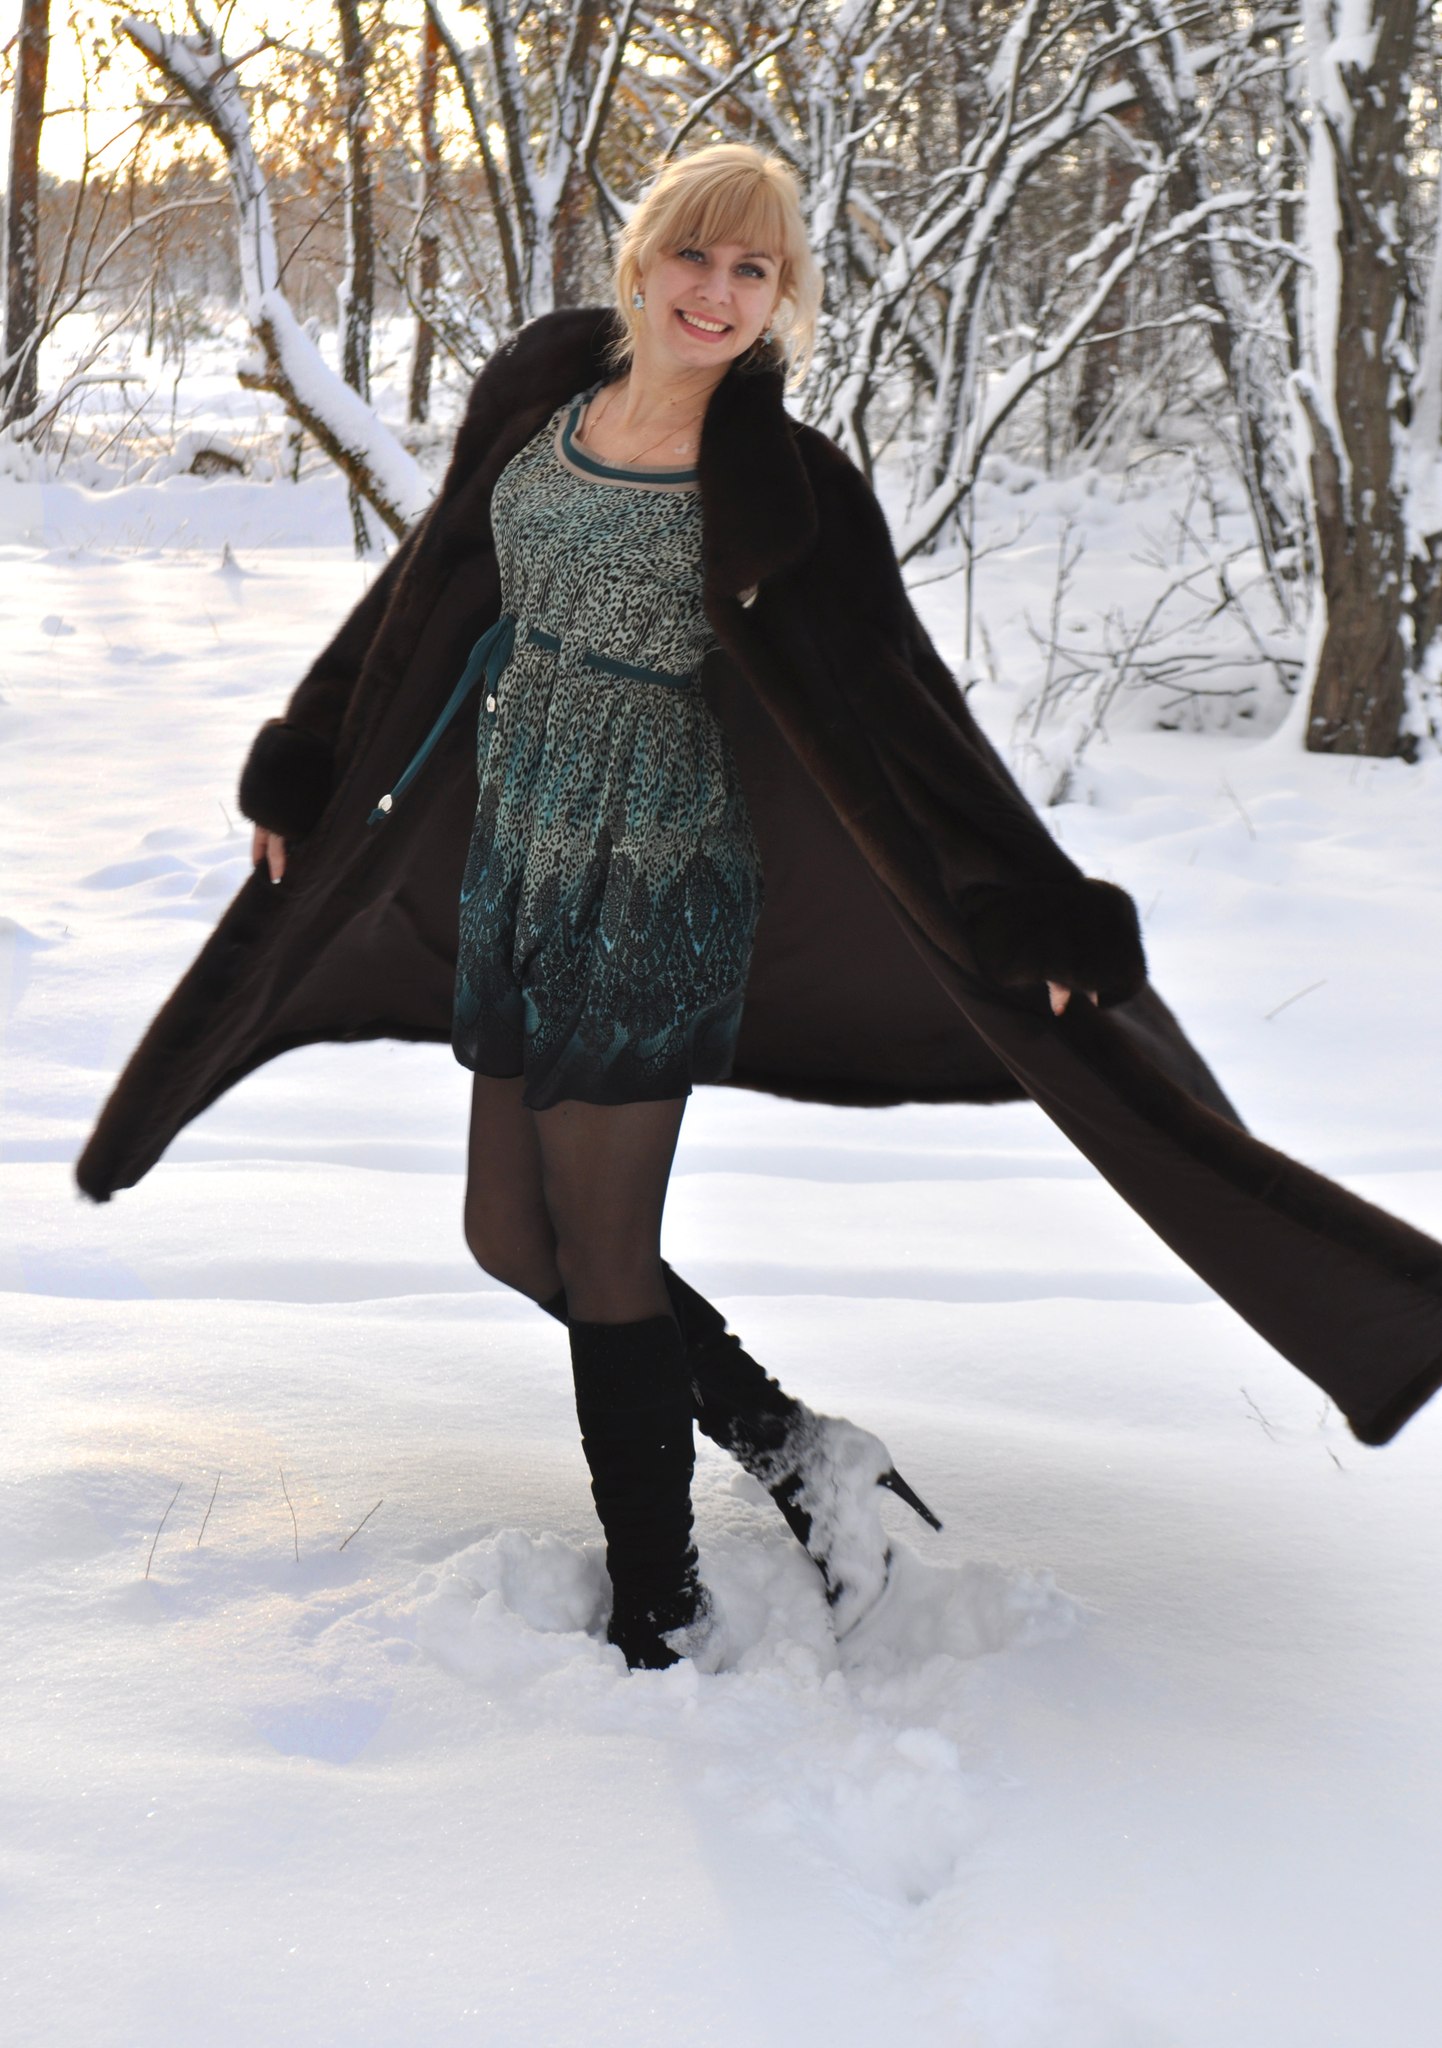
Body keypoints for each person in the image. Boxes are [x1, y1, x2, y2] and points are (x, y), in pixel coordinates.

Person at [77, 147, 1442, 1672]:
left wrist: (1034, 906)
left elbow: (905, 715)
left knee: (602, 1250)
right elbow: (414, 601)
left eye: (754, 272)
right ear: (642, 260)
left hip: (656, 874)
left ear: (780, 297)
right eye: (696, 258)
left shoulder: (784, 491)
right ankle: (798, 1448)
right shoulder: (538, 413)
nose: (717, 294)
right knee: (503, 1234)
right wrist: (311, 758)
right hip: (520, 861)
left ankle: (657, 1604)